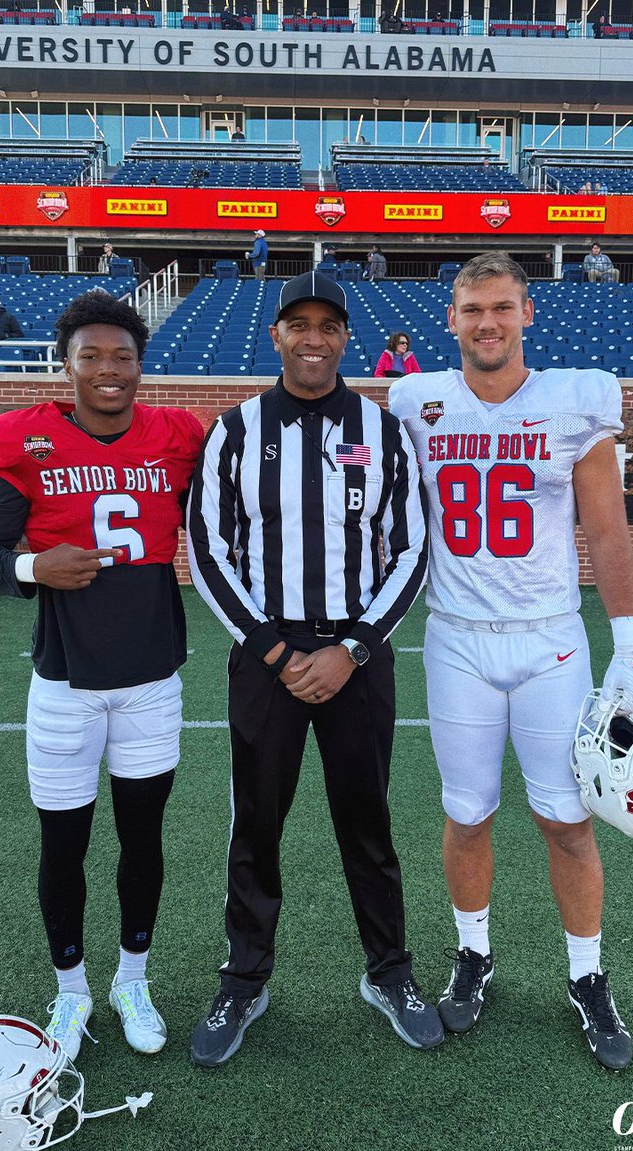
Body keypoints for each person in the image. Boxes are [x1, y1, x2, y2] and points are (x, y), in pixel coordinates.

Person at [388, 251, 633, 1071]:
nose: (487, 323)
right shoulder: (414, 402)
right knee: (467, 812)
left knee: (565, 821)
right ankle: (475, 954)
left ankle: (586, 974)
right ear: (453, 319)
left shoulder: (572, 400)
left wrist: (629, 639)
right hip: (457, 636)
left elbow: (606, 529)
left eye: (501, 307)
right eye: (472, 310)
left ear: (527, 313)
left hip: (551, 641)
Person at [185, 270, 441, 1067]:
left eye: (328, 325)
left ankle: (389, 973)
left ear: (344, 338)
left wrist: (354, 648)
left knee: (368, 823)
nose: (313, 338)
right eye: (298, 323)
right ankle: (245, 976)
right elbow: (206, 547)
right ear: (276, 336)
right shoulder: (233, 430)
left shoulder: (384, 430)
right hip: (266, 657)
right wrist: (274, 650)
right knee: (256, 823)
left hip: (357, 657)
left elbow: (411, 548)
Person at [0, 290, 205, 1061]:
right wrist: (34, 564)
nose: (108, 370)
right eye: (91, 355)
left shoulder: (177, 434)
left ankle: (134, 978)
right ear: (65, 364)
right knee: (62, 845)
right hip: (64, 681)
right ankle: (70, 992)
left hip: (151, 678)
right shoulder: (20, 438)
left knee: (143, 839)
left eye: (123, 356)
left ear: (141, 364)